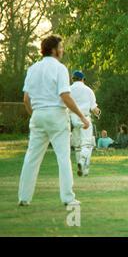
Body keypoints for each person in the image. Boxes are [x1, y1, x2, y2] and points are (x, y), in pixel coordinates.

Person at [18, 35, 89, 206]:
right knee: (63, 158)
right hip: (56, 115)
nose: (62, 50)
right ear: (53, 50)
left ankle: (24, 198)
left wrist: (34, 115)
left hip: (37, 115)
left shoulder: (33, 68)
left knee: (31, 158)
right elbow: (65, 96)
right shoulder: (60, 68)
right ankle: (68, 198)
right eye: (61, 47)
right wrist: (81, 116)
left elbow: (26, 99)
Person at [70, 70, 100, 177]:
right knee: (87, 144)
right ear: (83, 79)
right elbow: (94, 108)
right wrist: (98, 113)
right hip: (85, 118)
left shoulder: (68, 90)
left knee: (77, 146)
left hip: (72, 119)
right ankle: (82, 162)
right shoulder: (88, 90)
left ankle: (83, 170)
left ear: (72, 79)